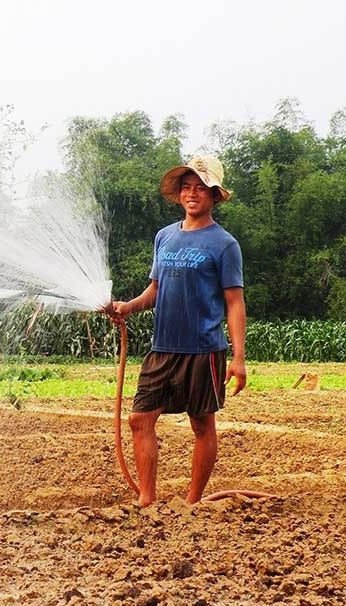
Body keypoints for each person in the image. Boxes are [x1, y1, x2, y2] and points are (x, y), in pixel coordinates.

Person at [109, 155, 247, 507]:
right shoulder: (164, 238)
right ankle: (147, 499)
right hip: (164, 347)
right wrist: (127, 306)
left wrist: (239, 357)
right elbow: (155, 291)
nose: (192, 193)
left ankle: (193, 501)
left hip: (204, 349)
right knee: (140, 418)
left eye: (201, 188)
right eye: (186, 187)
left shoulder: (224, 245)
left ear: (214, 195)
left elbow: (234, 302)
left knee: (202, 426)